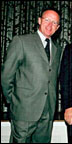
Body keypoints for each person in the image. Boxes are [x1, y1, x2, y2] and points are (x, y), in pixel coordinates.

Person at [1, 8, 63, 143]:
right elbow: (6, 76)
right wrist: (14, 101)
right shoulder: (21, 41)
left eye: (54, 23)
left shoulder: (57, 49)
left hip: (47, 112)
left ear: (58, 27)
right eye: (47, 20)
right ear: (39, 20)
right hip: (24, 110)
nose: (50, 25)